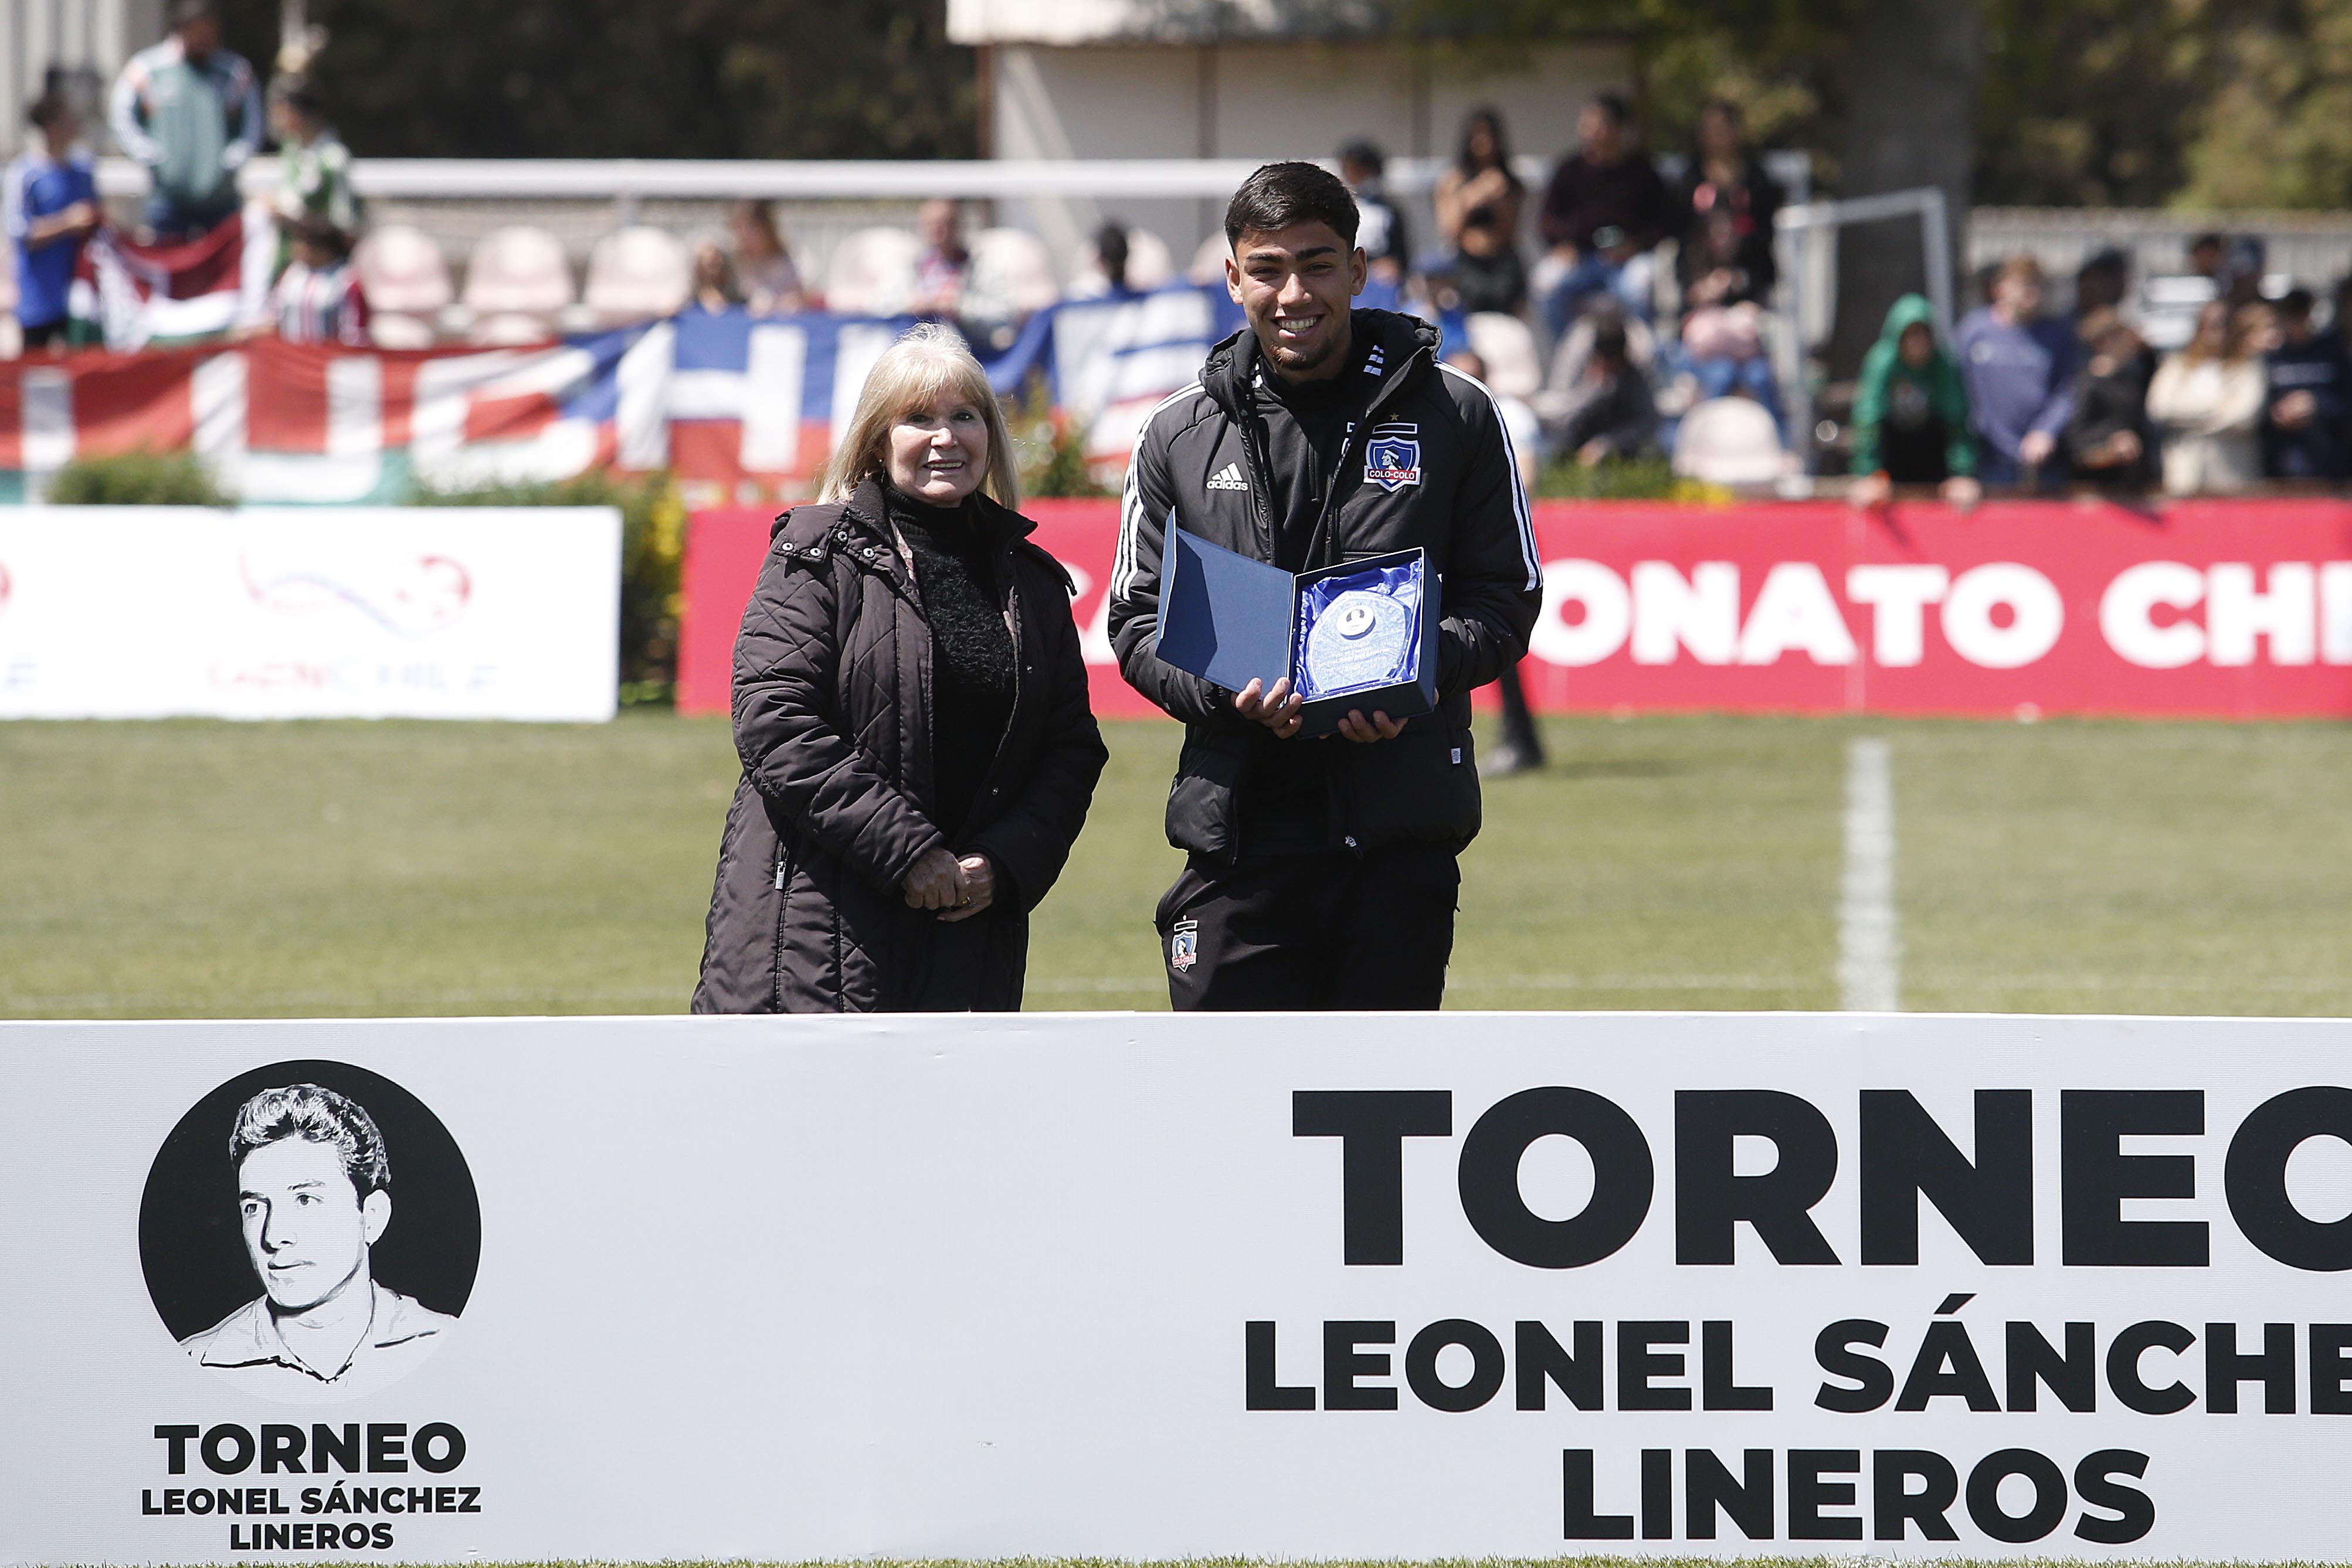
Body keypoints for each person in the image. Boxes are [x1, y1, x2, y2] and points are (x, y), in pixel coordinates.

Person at [1109, 161, 1541, 1010]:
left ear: (1356, 268)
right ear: (1232, 278)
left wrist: (1410, 672)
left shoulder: (1455, 413)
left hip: (1396, 828)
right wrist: (1226, 690)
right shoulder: (1175, 431)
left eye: (1315, 264)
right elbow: (1134, 622)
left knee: (1374, 1117)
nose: (1291, 293)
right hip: (1237, 827)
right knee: (1226, 1106)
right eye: (1266, 269)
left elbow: (1505, 598)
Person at [693, 324, 1106, 1013]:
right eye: (918, 418)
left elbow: (1070, 748)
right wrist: (909, 852)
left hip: (969, 939)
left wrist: (1002, 867)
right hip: (812, 944)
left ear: (989, 434)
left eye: (964, 416)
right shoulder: (815, 554)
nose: (945, 437)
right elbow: (776, 720)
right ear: (877, 442)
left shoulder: (1031, 581)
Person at [179, 1083, 455, 1393]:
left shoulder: (448, 1346)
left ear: (373, 1217)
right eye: (254, 1207)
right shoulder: (191, 1365)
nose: (273, 1236)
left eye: (306, 1199)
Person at [1445, 346, 1545, 776]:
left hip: (1494, 543)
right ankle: (1516, 742)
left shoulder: (1506, 416)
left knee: (1497, 646)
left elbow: (1524, 477)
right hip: (1459, 545)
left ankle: (1519, 742)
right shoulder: (1438, 415)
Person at [108, 0, 262, 242]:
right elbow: (122, 118)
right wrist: (152, 156)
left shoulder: (235, 72)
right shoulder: (148, 68)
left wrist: (232, 160)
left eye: (210, 33)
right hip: (168, 198)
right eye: (198, 32)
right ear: (180, 29)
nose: (204, 39)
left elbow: (252, 125)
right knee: (168, 265)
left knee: (222, 273)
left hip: (219, 199)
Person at [1536, 93, 1674, 334]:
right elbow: (1548, 221)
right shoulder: (1569, 170)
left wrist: (1636, 245)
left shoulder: (1642, 172)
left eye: (1597, 123)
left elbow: (1663, 222)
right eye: (1586, 122)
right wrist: (1562, 244)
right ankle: (1567, 355)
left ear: (1618, 129)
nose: (1588, 130)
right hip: (1580, 259)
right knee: (1548, 284)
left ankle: (1643, 359)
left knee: (1641, 285)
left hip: (1627, 261)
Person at [1847, 293, 1981, 510]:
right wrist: (1868, 474)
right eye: (1910, 335)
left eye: (1923, 334)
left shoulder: (1944, 366)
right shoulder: (1883, 364)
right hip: (1892, 452)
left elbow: (1957, 424)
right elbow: (1868, 420)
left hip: (1933, 453)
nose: (1917, 342)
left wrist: (1961, 474)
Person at [1955, 256, 2078, 487]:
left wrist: (2046, 430)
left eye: (2037, 286)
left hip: (2041, 464)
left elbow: (2068, 390)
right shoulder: (1974, 331)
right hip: (1987, 458)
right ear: (2000, 288)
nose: (2030, 294)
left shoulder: (2056, 336)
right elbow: (1955, 386)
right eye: (2023, 285)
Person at [4, 93, 100, 353]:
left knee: (84, 370)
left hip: (79, 294)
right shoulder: (24, 174)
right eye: (70, 119)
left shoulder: (83, 169)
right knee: (36, 374)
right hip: (39, 297)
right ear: (51, 126)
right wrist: (68, 223)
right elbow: (20, 231)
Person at [2146, 298, 2266, 496]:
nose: (2217, 333)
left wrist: (2188, 419)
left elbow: (2244, 416)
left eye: (2223, 326)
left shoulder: (2249, 366)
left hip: (2231, 475)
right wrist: (2218, 410)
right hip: (2185, 474)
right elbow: (2161, 408)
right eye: (2211, 326)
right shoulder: (2175, 365)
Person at [1675, 98, 1781, 313]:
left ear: (1737, 131)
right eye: (1709, 129)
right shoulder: (1692, 177)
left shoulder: (1756, 177)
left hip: (1748, 278)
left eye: (1722, 128)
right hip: (1699, 278)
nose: (1716, 135)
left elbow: (1766, 230)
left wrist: (1737, 264)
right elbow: (1681, 230)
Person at [1432, 107, 1528, 316]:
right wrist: (1473, 197)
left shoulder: (1509, 182)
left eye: (1488, 135)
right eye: (1476, 135)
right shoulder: (1452, 180)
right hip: (1465, 262)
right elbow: (1450, 230)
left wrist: (1500, 201)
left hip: (1501, 263)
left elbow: (1510, 233)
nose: (1482, 141)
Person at [266, 76, 354, 277]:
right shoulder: (291, 151)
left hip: (322, 272)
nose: (276, 118)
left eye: (280, 111)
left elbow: (345, 226)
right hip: (285, 268)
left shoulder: (333, 160)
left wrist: (291, 217)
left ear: (297, 113)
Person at [2262, 287, 2352, 480]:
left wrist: (2316, 404)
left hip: (2329, 458)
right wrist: (2277, 412)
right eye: (2291, 314)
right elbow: (2258, 403)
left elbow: (2346, 399)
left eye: (2300, 314)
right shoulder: (2273, 356)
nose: (2296, 322)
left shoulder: (2332, 351)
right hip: (2283, 460)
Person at [2065, 308, 2158, 491]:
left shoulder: (2132, 376)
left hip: (2133, 479)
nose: (2131, 342)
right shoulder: (2087, 384)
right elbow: (2078, 438)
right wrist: (2111, 445)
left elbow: (2152, 363)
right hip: (2098, 482)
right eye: (2124, 336)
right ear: (2107, 342)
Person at [1548, 311, 1658, 466]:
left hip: (1621, 456)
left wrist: (1606, 444)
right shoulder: (1586, 377)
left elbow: (1647, 423)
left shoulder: (1634, 380)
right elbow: (1564, 421)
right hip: (1576, 452)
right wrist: (1594, 390)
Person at [266, 218, 369, 345]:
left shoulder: (346, 280)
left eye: (301, 243)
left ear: (321, 248)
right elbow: (274, 316)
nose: (295, 248)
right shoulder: (291, 275)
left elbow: (354, 332)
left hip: (327, 360)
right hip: (291, 359)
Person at [1339, 138, 1409, 286]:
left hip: (1380, 278)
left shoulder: (1387, 210)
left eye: (1359, 171)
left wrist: (1393, 265)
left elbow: (1401, 254)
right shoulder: (1339, 206)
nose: (1353, 176)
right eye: (1349, 170)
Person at [728, 199, 803, 315]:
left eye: (751, 228)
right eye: (739, 228)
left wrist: (775, 306)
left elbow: (800, 298)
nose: (745, 235)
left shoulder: (789, 260)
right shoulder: (731, 260)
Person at [911, 198, 969, 318]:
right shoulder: (914, 264)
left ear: (957, 227)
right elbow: (885, 303)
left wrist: (957, 306)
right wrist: (911, 304)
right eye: (931, 224)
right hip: (917, 328)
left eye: (944, 223)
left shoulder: (975, 265)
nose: (936, 230)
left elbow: (999, 312)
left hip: (962, 333)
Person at [688, 238, 740, 314]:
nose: (711, 270)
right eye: (707, 263)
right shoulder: (689, 300)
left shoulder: (736, 294)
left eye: (714, 262)